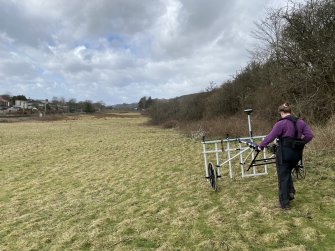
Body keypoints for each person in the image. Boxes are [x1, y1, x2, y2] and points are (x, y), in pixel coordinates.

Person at [258, 102, 314, 209]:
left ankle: (285, 203)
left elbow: (271, 137)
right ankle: (291, 192)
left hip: (284, 154)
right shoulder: (300, 122)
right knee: (288, 171)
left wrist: (261, 146)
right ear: (290, 112)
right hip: (296, 155)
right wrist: (300, 143)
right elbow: (309, 136)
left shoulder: (281, 124)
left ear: (282, 112)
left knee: (283, 176)